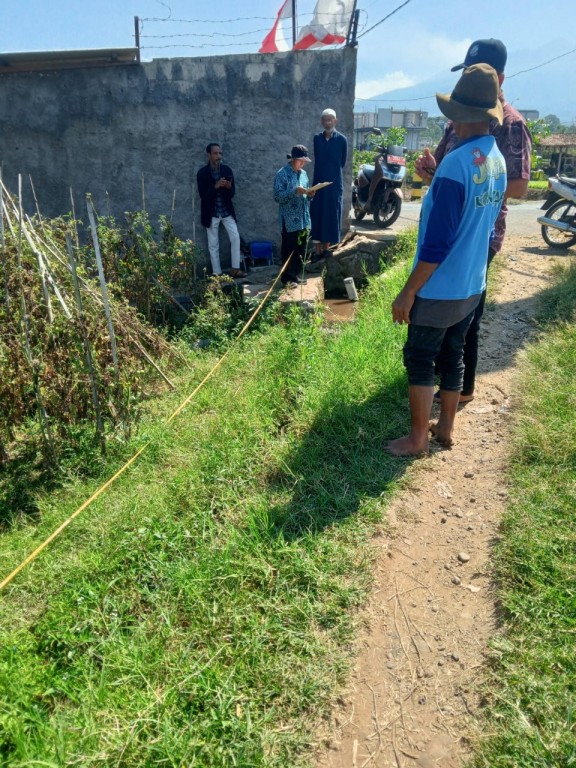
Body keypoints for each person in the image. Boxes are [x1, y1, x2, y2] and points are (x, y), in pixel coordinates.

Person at [386, 63, 507, 457]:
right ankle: (446, 428)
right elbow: (479, 216)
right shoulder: (495, 159)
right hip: (474, 282)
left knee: (420, 357)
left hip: (440, 289)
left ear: (457, 114)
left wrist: (407, 293)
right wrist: (436, 179)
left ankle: (418, 439)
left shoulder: (456, 164)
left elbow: (436, 246)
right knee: (454, 353)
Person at [415, 39, 531, 402]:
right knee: (449, 317)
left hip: (481, 232)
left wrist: (466, 187)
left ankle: (461, 389)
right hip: (449, 221)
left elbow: (520, 185)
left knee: (466, 316)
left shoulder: (510, 124)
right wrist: (431, 174)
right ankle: (443, 383)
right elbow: (447, 173)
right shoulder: (458, 119)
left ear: (499, 78)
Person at [196, 143, 247, 279]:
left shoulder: (226, 170)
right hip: (211, 213)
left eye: (220, 153)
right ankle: (217, 274)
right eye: (215, 153)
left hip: (226, 211)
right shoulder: (202, 173)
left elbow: (232, 193)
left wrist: (229, 187)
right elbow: (202, 195)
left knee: (235, 237)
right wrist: (215, 186)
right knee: (213, 244)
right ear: (209, 155)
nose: (218, 156)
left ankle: (235, 269)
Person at [273, 145, 315, 288]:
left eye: (304, 161)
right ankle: (287, 279)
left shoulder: (303, 174)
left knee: (301, 249)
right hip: (289, 220)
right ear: (293, 159)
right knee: (289, 249)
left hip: (303, 219)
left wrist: (310, 194)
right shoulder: (282, 174)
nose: (303, 163)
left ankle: (296, 275)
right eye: (300, 160)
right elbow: (278, 196)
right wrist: (294, 191)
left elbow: (307, 193)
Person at [310, 108, 347, 262]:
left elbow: (343, 162)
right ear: (321, 122)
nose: (328, 122)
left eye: (330, 119)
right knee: (317, 214)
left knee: (331, 214)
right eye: (325, 120)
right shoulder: (317, 139)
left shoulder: (342, 140)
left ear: (335, 121)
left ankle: (327, 249)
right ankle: (317, 251)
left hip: (334, 184)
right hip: (318, 182)